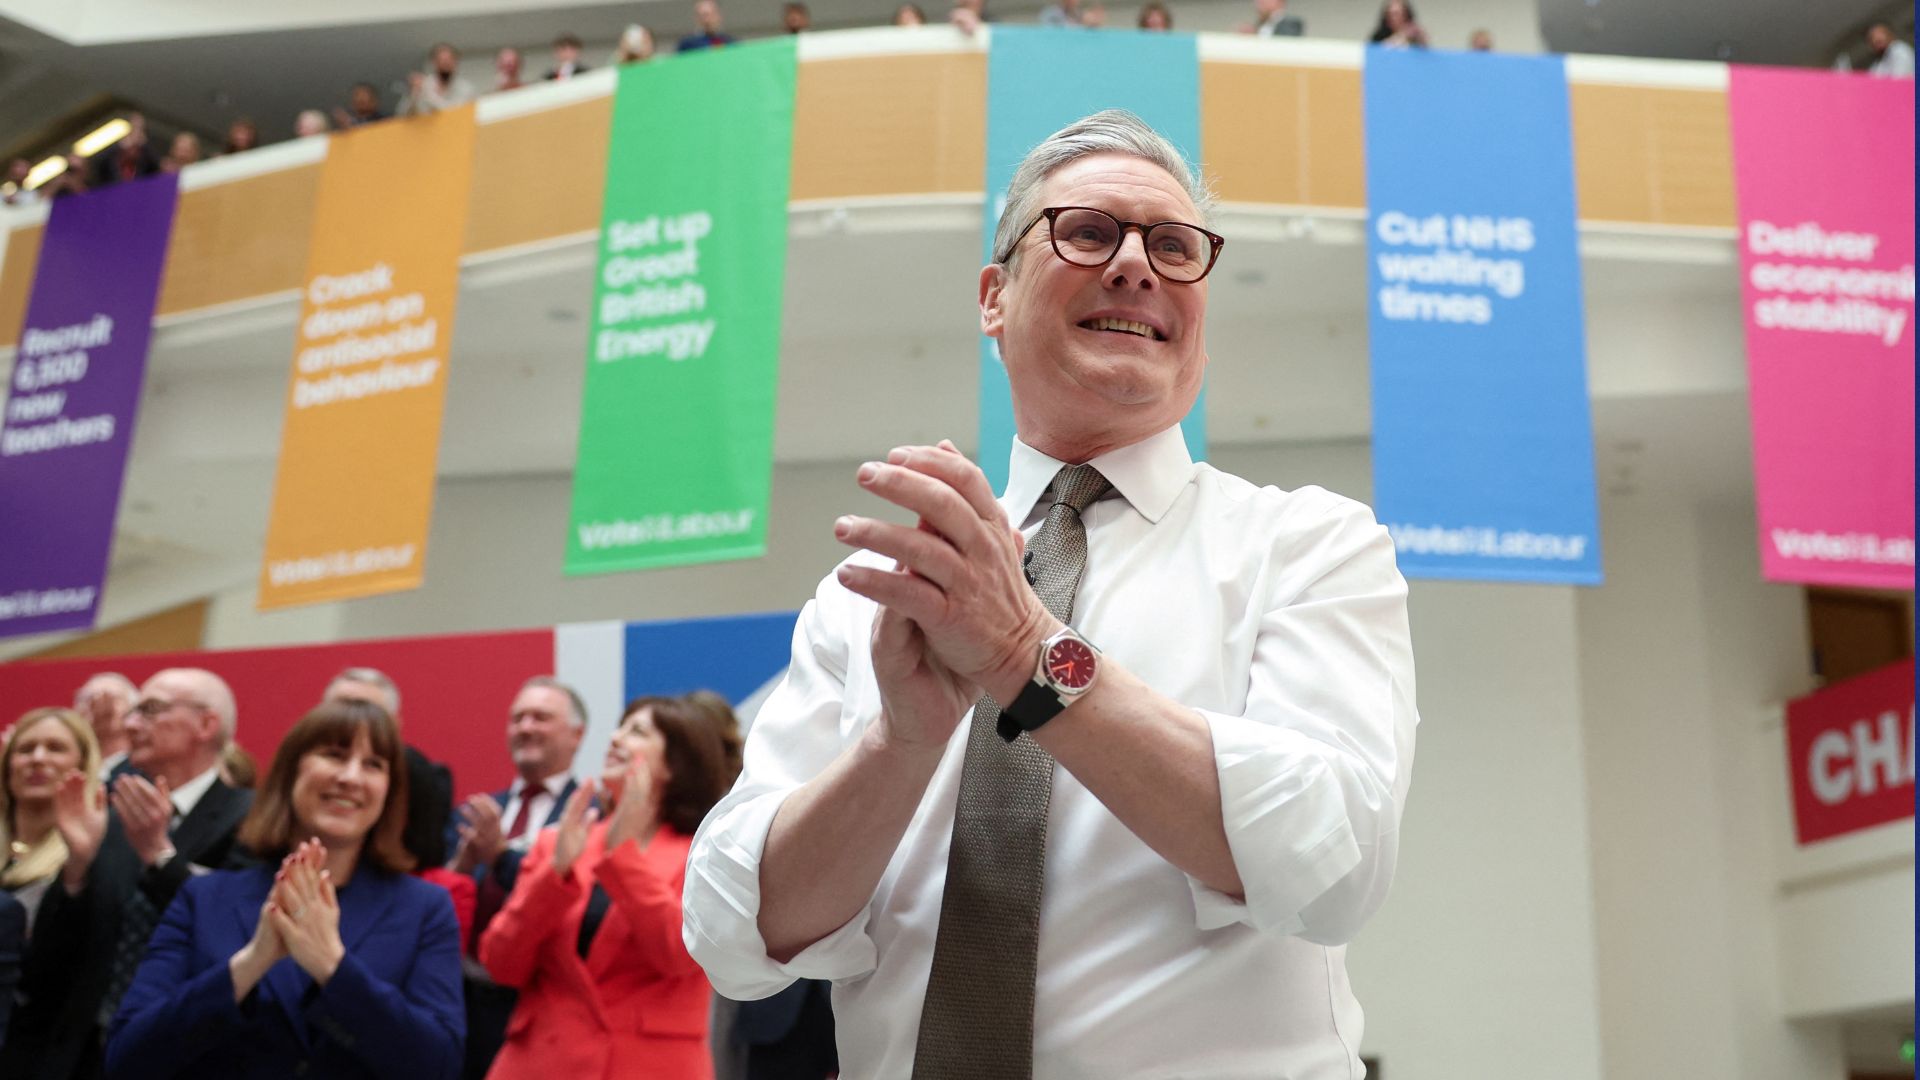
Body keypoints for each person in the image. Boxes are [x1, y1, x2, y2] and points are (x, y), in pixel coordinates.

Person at [683, 110, 1418, 1078]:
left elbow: (1335, 860)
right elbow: (737, 937)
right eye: (1086, 232)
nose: (1136, 266)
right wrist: (895, 746)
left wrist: (1030, 658)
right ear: (994, 296)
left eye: (1174, 245)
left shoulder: (1309, 545)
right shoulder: (874, 601)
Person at [105, 699, 464, 1079]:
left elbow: (438, 1065)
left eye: (373, 765)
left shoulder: (425, 908)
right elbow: (127, 1057)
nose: (351, 777)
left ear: (389, 791)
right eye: (334, 755)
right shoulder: (205, 897)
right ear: (291, 772)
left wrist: (332, 967)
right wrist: (250, 963)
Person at [7, 668, 255, 1079]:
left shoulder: (250, 817)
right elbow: (53, 958)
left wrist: (161, 857)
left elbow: (234, 936)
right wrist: (78, 868)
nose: (129, 724)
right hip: (77, 1054)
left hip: (179, 1051)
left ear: (206, 724)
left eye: (150, 710)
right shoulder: (112, 810)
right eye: (133, 712)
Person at [481, 695, 730, 1079]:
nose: (615, 738)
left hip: (650, 1067)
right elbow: (501, 963)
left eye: (637, 732)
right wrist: (555, 873)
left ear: (675, 764)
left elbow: (680, 954)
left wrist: (623, 856)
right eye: (619, 727)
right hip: (540, 1064)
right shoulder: (558, 842)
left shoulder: (707, 850)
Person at [449, 676, 590, 1080]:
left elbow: (571, 904)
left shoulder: (591, 816)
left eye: (541, 717)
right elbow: (439, 901)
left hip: (540, 1006)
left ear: (577, 735)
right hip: (463, 1000)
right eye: (518, 718)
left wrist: (499, 857)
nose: (526, 727)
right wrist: (464, 862)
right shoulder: (475, 813)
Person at [321, 669, 471, 942]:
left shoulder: (421, 779)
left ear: (394, 724)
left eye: (368, 713)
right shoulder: (298, 769)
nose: (349, 778)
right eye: (339, 709)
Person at [0, 709, 101, 932]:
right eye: (25, 750)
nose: (38, 759)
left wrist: (77, 864)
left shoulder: (98, 845)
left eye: (55, 748)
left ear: (83, 764)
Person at [73, 673, 135, 781]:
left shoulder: (145, 764)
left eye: (113, 698)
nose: (101, 707)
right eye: (90, 699)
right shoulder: (70, 766)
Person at [401, 43, 477, 116]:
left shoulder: (466, 89)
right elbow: (403, 115)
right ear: (434, 62)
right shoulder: (423, 85)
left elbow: (458, 113)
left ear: (456, 62)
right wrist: (414, 94)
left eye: (449, 60)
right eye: (442, 61)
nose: (446, 64)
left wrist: (429, 96)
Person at [86, 114, 159, 189]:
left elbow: (157, 168)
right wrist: (118, 146)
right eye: (133, 129)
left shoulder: (146, 159)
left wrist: (145, 146)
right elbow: (97, 164)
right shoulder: (112, 157)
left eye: (140, 130)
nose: (136, 135)